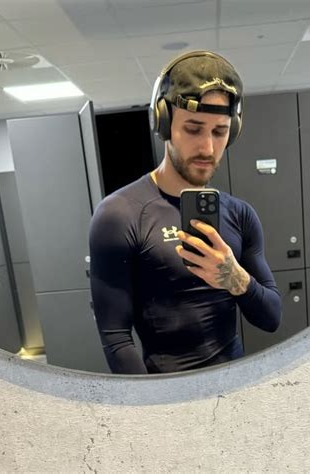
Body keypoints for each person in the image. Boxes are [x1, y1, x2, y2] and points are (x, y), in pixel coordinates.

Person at [89, 50, 282, 374]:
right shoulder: (119, 215)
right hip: (167, 391)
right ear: (164, 124)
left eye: (219, 131)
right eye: (193, 129)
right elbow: (116, 338)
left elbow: (271, 317)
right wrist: (158, 402)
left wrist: (235, 279)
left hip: (235, 384)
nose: (208, 148)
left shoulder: (240, 214)